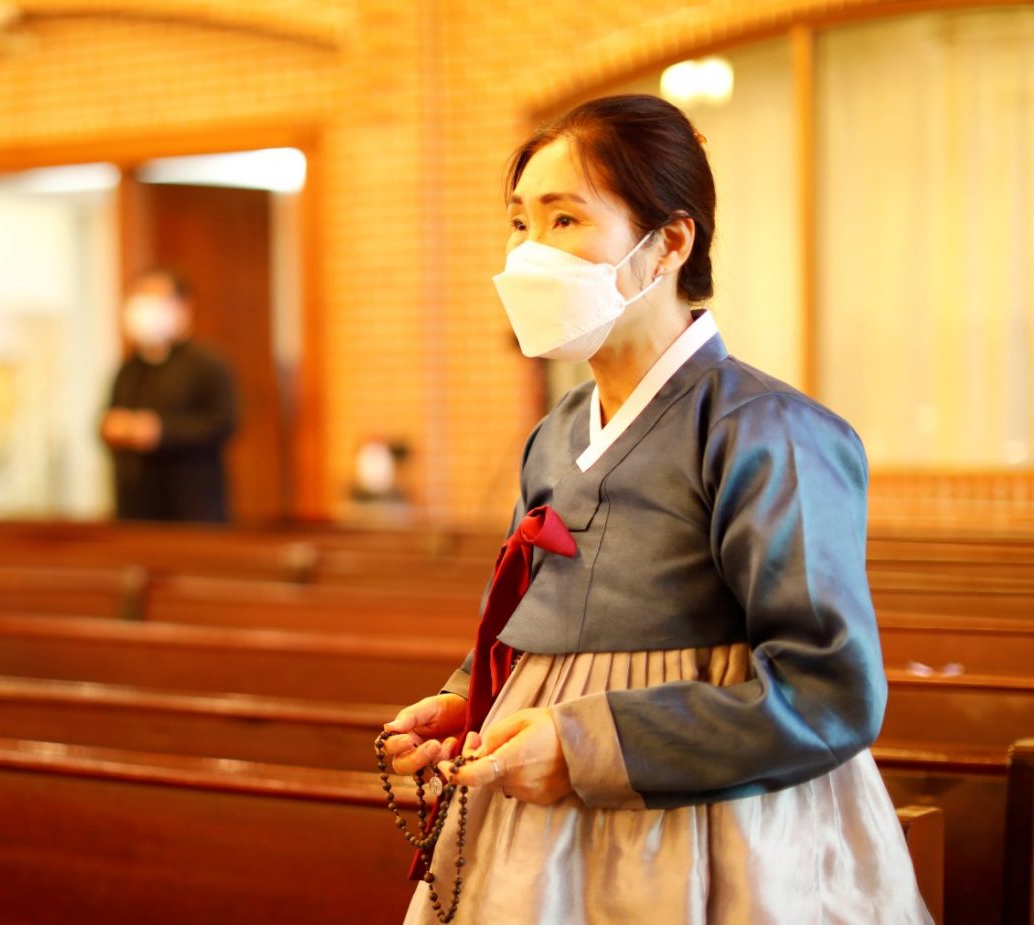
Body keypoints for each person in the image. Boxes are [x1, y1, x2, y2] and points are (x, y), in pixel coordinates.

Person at [381, 95, 929, 923]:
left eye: (565, 220)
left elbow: (830, 692)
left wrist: (581, 744)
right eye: (520, 223)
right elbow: (540, 610)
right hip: (537, 826)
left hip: (711, 833)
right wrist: (473, 698)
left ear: (671, 242)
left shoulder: (767, 432)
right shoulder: (556, 433)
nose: (530, 254)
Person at [101, 268, 237, 523]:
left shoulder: (206, 364)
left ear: (183, 306)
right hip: (135, 508)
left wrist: (159, 431)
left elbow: (223, 423)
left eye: (155, 300)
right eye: (140, 299)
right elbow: (108, 418)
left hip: (191, 506)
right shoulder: (130, 368)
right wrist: (114, 427)